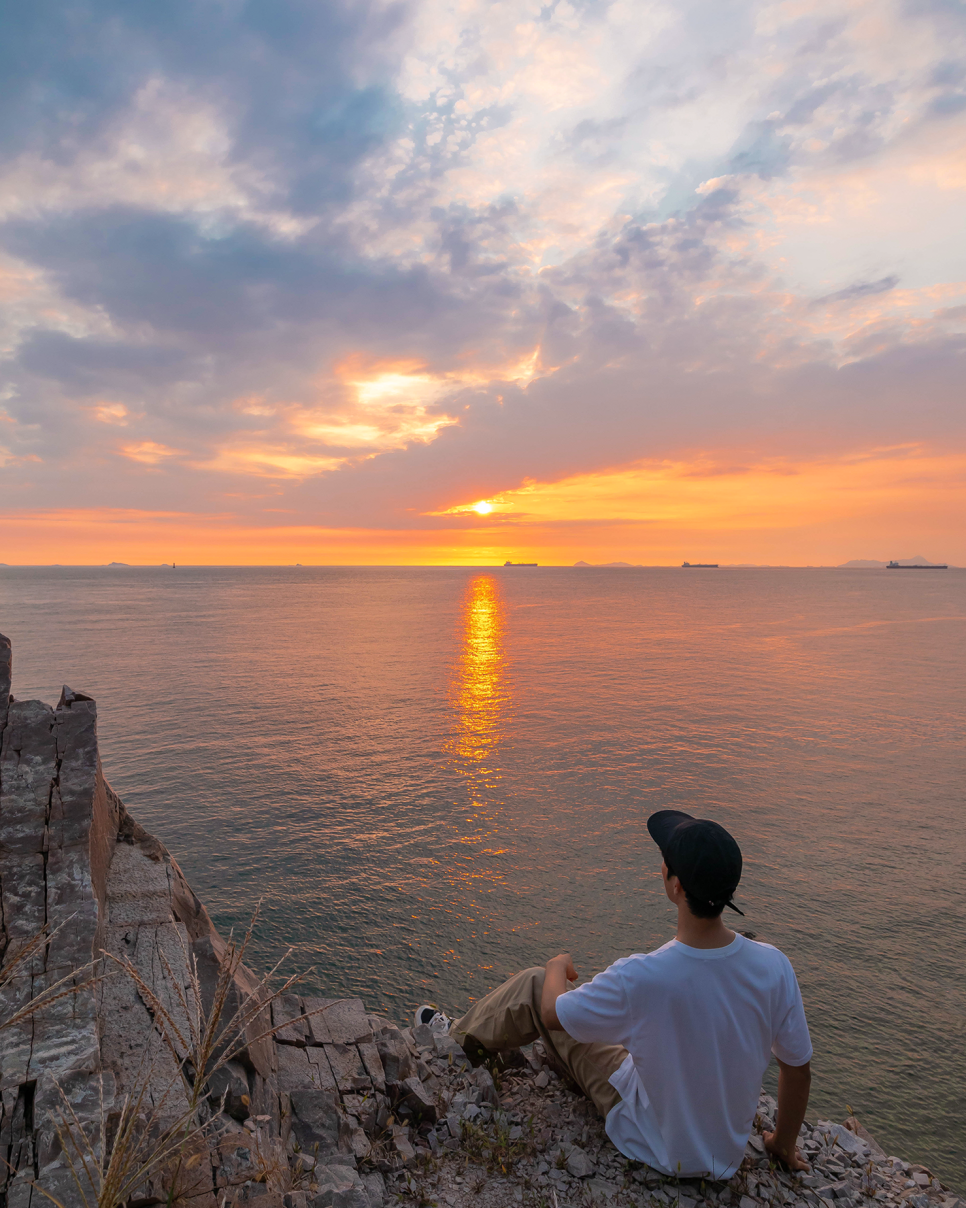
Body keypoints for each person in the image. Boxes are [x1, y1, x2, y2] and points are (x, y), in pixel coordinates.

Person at [416, 809, 812, 1180]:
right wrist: (781, 1143)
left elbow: (552, 1013)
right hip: (726, 1157)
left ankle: (451, 1041)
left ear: (674, 885)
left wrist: (556, 966)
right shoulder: (773, 965)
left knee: (535, 984)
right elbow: (797, 1067)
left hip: (655, 1144)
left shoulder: (643, 974)